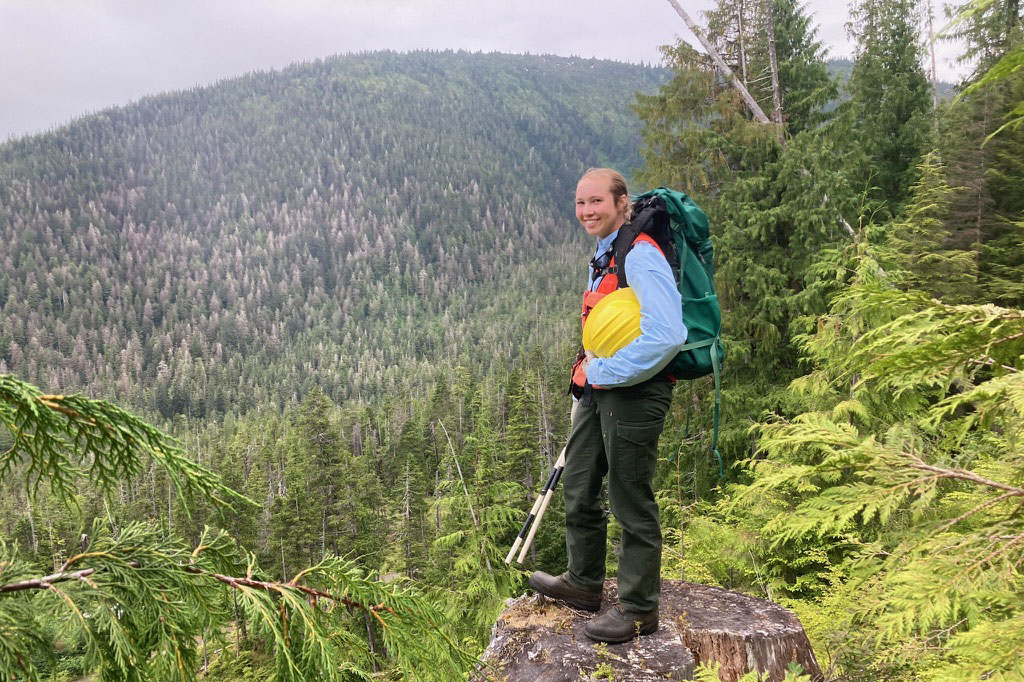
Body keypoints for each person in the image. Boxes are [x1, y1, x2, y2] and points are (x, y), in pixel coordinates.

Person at [529, 168, 686, 644]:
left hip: (637, 393)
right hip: (601, 388)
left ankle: (639, 610)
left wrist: (601, 372)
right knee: (578, 483)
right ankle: (583, 583)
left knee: (629, 496)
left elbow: (668, 334)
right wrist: (589, 371)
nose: (586, 211)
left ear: (622, 202)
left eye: (596, 201)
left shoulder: (641, 254)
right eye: (580, 203)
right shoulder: (606, 252)